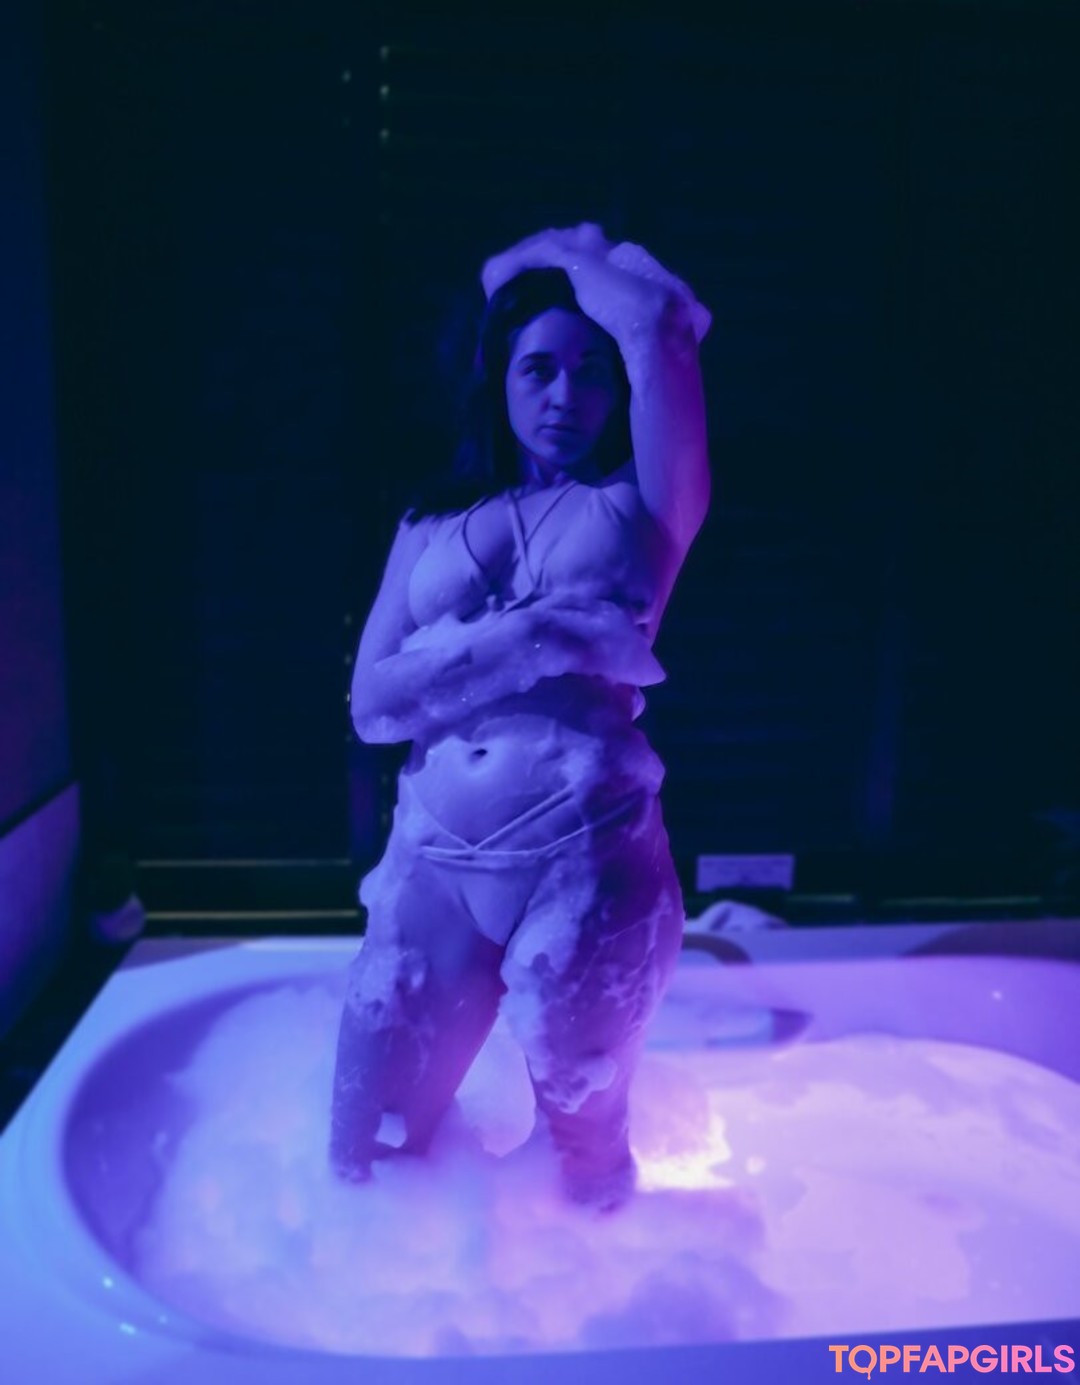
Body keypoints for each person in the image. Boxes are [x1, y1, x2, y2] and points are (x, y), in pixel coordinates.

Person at [330, 222, 712, 1209]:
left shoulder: (646, 508)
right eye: (538, 368)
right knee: (366, 1155)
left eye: (592, 372)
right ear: (497, 377)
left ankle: (598, 1308)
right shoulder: (429, 521)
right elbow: (372, 706)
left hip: (588, 865)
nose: (564, 396)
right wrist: (541, 635)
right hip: (433, 865)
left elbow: (663, 326)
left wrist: (553, 255)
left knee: (583, 1161)